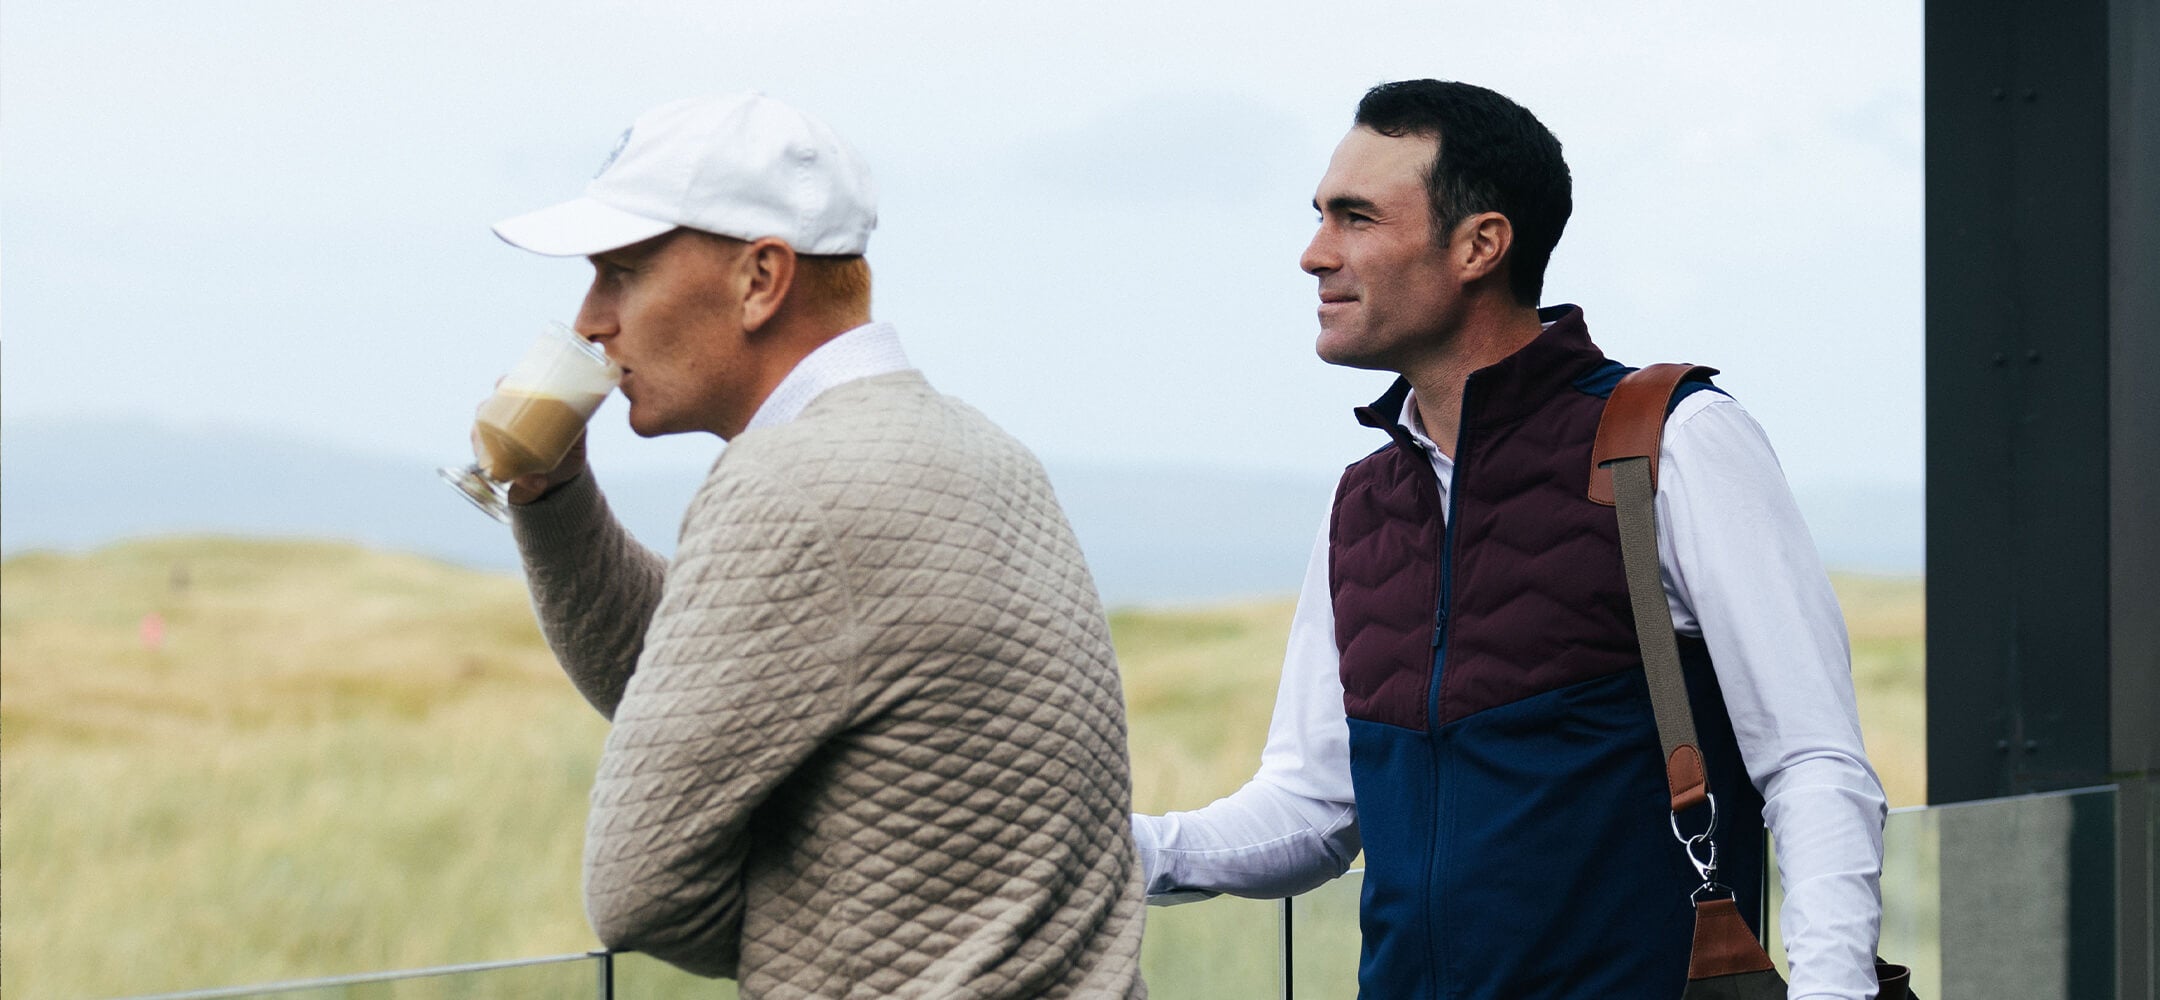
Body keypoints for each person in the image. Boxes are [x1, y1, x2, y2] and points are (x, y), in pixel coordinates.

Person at [1133, 80, 1888, 999]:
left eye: (1356, 218)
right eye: (1321, 216)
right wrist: (1094, 850)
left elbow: (1811, 764)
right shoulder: (1364, 503)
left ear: (1480, 245)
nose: (1314, 253)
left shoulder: (1672, 441)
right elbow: (1315, 807)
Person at [488, 92, 1146, 998]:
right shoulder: (984, 449)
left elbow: (634, 894)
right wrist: (553, 498)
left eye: (622, 273)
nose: (591, 319)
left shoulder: (788, 483)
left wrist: (815, 938)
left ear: (760, 279)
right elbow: (698, 684)